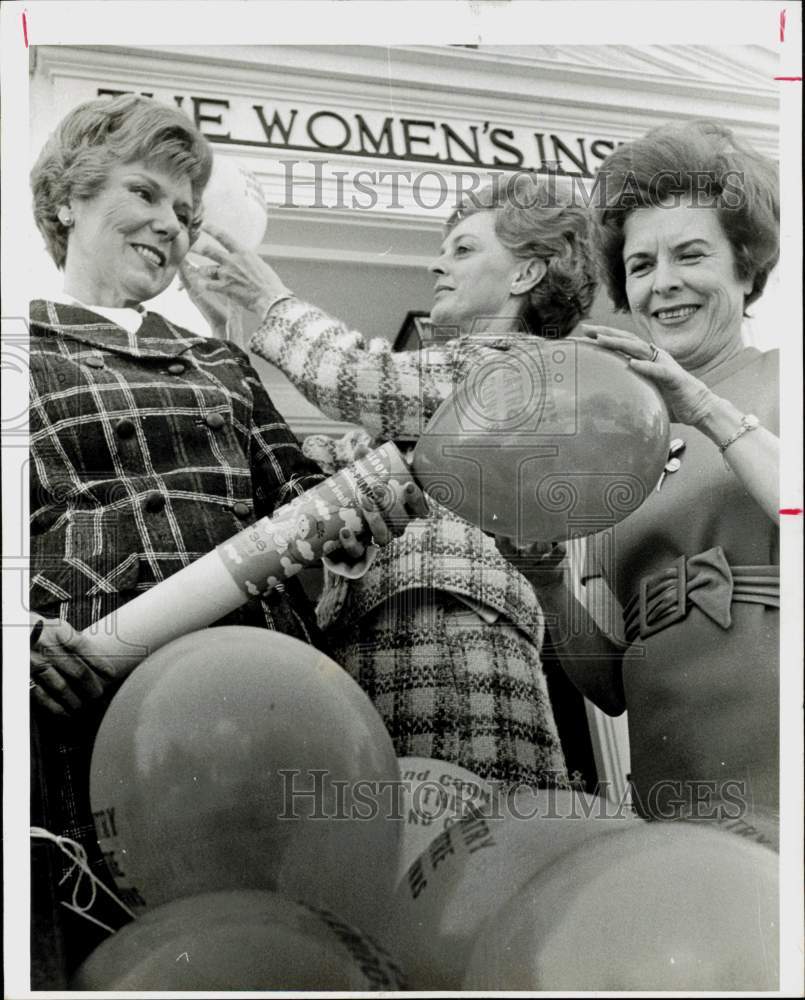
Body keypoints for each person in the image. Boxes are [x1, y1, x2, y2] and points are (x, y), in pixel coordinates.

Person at [27, 94, 421, 979]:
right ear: (66, 200)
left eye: (185, 210)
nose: (170, 225)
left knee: (284, 953)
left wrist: (357, 518)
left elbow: (304, 505)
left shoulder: (220, 363)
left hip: (260, 715)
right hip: (87, 726)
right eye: (146, 193)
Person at [181, 173, 597, 790]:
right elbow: (283, 470)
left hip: (455, 649)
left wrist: (267, 298)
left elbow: (355, 375)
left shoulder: (515, 370)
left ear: (525, 275)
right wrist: (228, 329)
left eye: (463, 249)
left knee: (465, 860)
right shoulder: (428, 402)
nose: (437, 264)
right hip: (378, 650)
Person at [516, 120, 780, 831]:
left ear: (746, 266)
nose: (662, 284)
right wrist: (547, 587)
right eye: (639, 266)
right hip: (673, 789)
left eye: (689, 254)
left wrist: (700, 405)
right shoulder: (619, 450)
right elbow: (606, 685)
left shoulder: (785, 378)